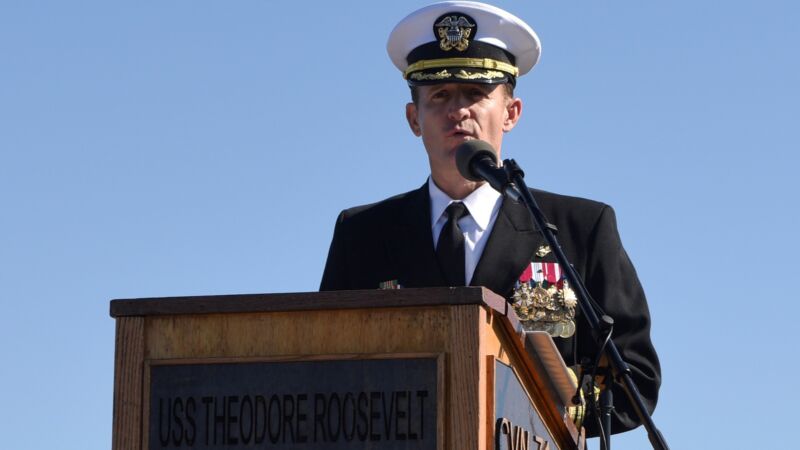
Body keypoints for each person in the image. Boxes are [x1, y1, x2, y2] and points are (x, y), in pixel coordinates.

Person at [320, 1, 660, 436]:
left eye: (476, 94)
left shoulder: (579, 231)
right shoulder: (362, 235)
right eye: (439, 95)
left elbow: (636, 381)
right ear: (413, 119)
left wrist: (545, 412)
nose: (457, 110)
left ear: (511, 112)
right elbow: (328, 371)